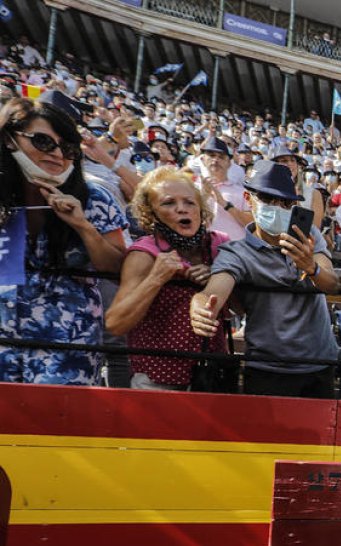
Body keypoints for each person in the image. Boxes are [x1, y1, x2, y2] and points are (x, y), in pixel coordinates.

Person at [0, 96, 127, 386]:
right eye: (44, 142)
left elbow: (118, 267)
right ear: (9, 140)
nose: (58, 154)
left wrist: (82, 226)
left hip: (67, 343)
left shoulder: (95, 198)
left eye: (68, 147)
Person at [188, 161, 340, 398]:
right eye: (268, 199)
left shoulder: (308, 235)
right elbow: (213, 293)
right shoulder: (237, 253)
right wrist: (201, 307)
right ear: (249, 198)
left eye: (286, 203)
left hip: (319, 364)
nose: (277, 207)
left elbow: (331, 283)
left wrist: (310, 267)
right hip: (267, 369)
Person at [106, 168, 229, 390]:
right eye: (168, 203)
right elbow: (116, 323)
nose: (182, 208)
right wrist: (156, 278)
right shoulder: (143, 254)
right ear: (151, 213)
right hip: (158, 379)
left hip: (212, 375)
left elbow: (240, 307)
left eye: (190, 202)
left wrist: (217, 278)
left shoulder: (219, 246)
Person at [194, 135, 253, 241]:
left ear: (229, 163)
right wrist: (203, 196)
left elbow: (252, 224)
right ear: (203, 160)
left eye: (221, 157)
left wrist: (226, 205)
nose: (216, 159)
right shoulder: (192, 189)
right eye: (211, 155)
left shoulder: (243, 192)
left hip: (235, 251)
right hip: (203, 250)